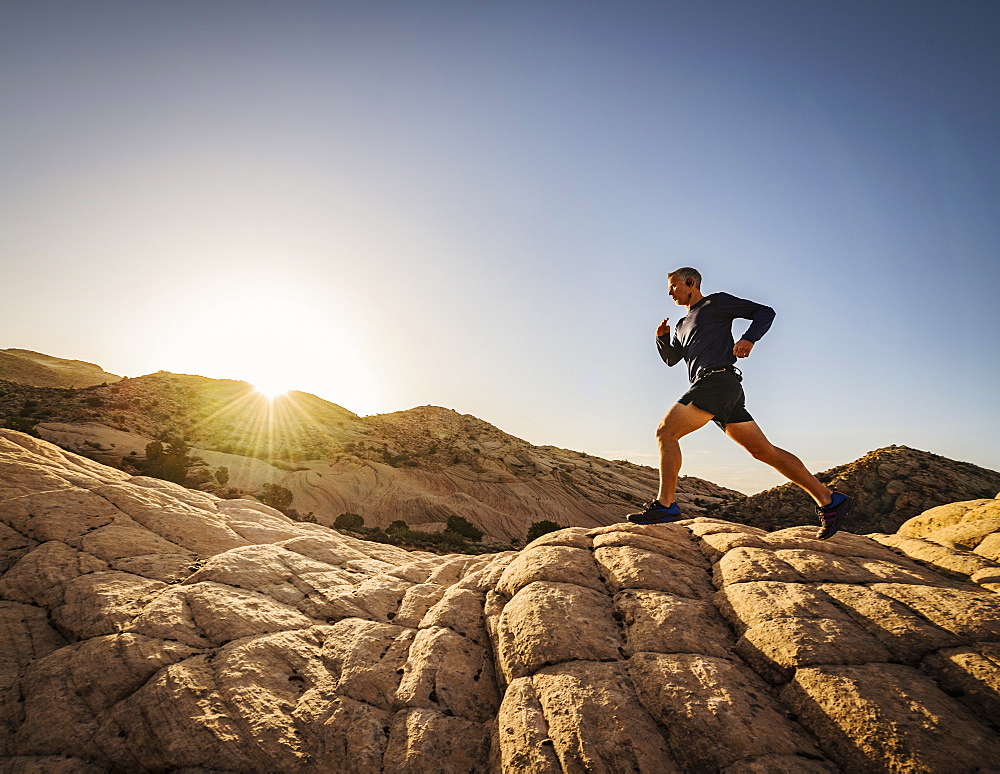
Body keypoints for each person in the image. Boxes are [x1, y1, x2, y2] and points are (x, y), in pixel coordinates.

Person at [627, 267, 851, 539]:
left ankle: (665, 505)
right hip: (719, 389)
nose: (669, 292)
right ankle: (830, 501)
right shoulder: (680, 324)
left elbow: (765, 312)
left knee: (666, 432)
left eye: (674, 286)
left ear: (690, 283)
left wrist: (749, 338)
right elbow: (673, 359)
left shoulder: (716, 303)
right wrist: (661, 339)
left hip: (717, 382)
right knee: (764, 451)